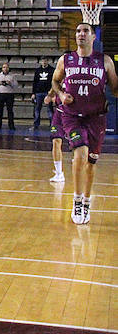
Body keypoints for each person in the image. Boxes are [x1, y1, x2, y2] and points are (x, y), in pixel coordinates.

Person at [49, 23, 118, 224]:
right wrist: (61, 94)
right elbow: (54, 81)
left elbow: (115, 89)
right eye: (78, 31)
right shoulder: (66, 59)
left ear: (93, 37)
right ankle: (77, 200)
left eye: (85, 31)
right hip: (72, 115)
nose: (81, 34)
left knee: (91, 163)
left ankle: (87, 201)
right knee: (80, 155)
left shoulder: (104, 61)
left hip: (96, 117)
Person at [44, 88, 66, 183]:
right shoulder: (60, 77)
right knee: (56, 140)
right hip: (59, 113)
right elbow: (55, 86)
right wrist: (50, 95)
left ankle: (84, 172)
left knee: (79, 146)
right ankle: (59, 173)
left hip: (74, 113)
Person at [0, 63, 18, 131]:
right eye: (4, 67)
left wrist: (10, 83)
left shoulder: (12, 76)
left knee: (10, 110)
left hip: (9, 94)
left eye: (6, 67)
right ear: (2, 68)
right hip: (0, 94)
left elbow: (16, 85)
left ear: (8, 68)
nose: (5, 68)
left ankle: (11, 125)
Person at [31, 57, 54, 130]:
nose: (44, 62)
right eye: (42, 61)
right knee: (37, 109)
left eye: (45, 61)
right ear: (40, 62)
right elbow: (35, 82)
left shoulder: (52, 70)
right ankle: (36, 125)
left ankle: (52, 125)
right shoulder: (37, 70)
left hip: (48, 93)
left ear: (47, 61)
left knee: (50, 109)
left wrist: (52, 93)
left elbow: (54, 82)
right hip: (38, 93)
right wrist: (33, 93)